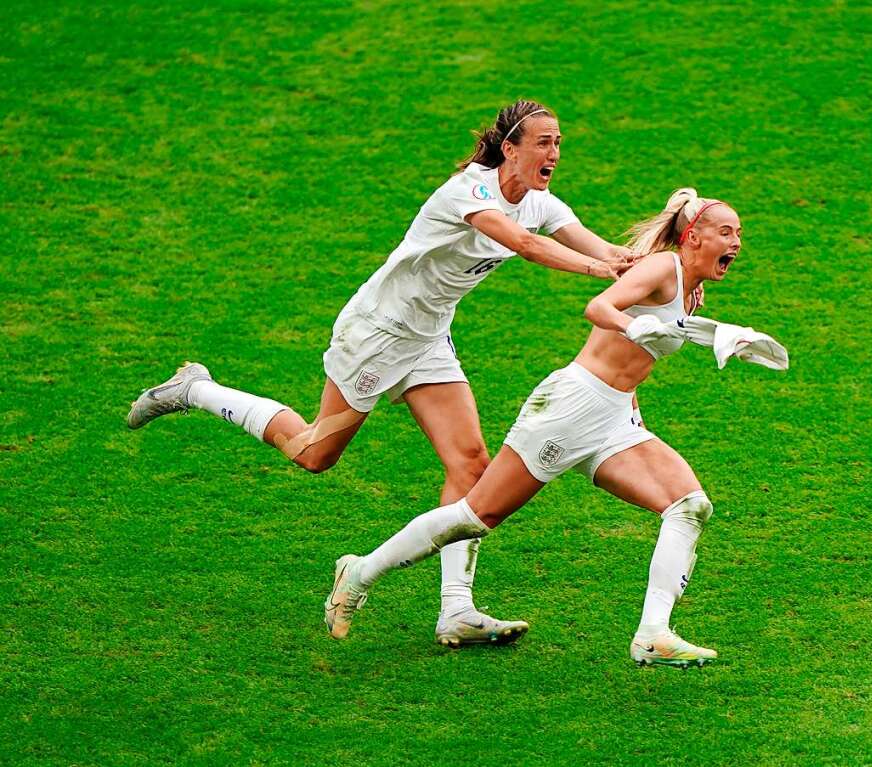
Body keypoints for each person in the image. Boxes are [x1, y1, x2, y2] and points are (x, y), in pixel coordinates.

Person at [126, 100, 632, 648]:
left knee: (470, 463)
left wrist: (668, 250)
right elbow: (527, 246)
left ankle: (456, 610)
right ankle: (196, 389)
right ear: (510, 148)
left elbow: (608, 250)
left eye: (558, 143)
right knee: (313, 453)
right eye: (543, 142)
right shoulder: (470, 190)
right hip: (376, 334)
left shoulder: (540, 202)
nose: (554, 153)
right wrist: (596, 271)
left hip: (426, 339)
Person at [324, 188, 746, 668]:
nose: (736, 242)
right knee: (475, 514)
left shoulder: (693, 289)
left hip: (614, 417)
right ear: (692, 236)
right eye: (726, 232)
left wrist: (727, 336)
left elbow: (644, 352)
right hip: (570, 407)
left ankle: (653, 633)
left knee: (689, 506)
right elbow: (600, 309)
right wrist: (634, 330)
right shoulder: (661, 268)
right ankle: (359, 573)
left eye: (739, 234)